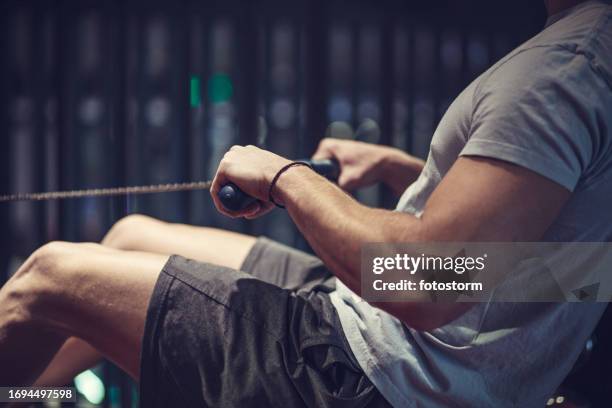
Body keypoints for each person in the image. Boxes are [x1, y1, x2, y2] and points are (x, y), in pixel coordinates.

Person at [1, 0, 611, 406]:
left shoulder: (561, 73)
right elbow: (572, 264)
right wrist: (407, 171)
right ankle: (26, 395)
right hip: (425, 352)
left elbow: (425, 285)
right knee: (129, 236)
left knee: (47, 279)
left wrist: (284, 176)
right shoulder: (594, 58)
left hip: (376, 374)